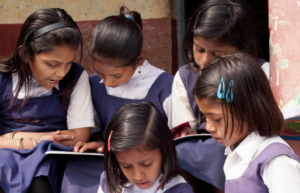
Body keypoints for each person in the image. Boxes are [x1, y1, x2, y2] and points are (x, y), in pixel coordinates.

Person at [172, 1, 269, 191]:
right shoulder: (185, 77)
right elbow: (184, 130)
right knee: (176, 152)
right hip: (206, 142)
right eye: (199, 49)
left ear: (242, 49)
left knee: (222, 151)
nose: (205, 60)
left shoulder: (263, 72)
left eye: (218, 53)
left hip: (249, 140)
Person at [0, 8, 94, 193]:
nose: (61, 73)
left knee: (41, 181)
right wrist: (43, 139)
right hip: (6, 157)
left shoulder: (76, 76)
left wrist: (11, 137)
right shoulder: (2, 79)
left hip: (54, 157)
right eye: (52, 64)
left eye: (68, 63)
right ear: (25, 53)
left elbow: (80, 136)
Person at [193, 52, 300, 193]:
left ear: (246, 110)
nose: (209, 127)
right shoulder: (234, 155)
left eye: (216, 119)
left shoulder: (276, 162)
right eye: (205, 118)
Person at [73, 6, 173, 152]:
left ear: (139, 60)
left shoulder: (164, 85)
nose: (107, 82)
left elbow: (179, 137)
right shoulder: (93, 83)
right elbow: (94, 131)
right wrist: (99, 143)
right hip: (106, 160)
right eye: (100, 73)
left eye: (116, 75)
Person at [98, 102, 193, 193]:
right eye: (126, 166)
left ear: (165, 149)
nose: (138, 176)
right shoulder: (109, 182)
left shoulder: (180, 190)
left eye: (147, 164)